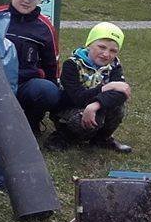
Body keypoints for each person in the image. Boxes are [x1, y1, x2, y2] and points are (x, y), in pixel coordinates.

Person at [0, 0, 61, 136]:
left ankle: (30, 125)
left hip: (24, 86)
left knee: (47, 90)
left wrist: (53, 92)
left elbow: (51, 66)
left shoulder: (45, 28)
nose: (26, 0)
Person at [51, 22, 133, 153]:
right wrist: (106, 87)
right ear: (89, 45)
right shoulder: (72, 64)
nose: (106, 54)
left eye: (113, 51)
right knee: (88, 120)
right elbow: (78, 97)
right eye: (101, 47)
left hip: (94, 106)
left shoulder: (114, 66)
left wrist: (95, 105)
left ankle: (102, 139)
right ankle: (62, 137)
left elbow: (122, 93)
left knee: (118, 107)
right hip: (69, 108)